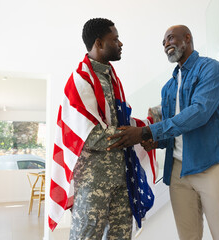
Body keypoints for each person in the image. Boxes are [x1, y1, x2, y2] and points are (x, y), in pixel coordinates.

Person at [108, 25, 219, 240]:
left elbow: (199, 113)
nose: (166, 44)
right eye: (164, 42)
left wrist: (146, 131)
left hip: (211, 166)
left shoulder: (212, 69)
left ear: (187, 38)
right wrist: (154, 140)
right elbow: (173, 127)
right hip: (178, 170)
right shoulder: (168, 87)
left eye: (170, 38)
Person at [48, 18, 155, 240]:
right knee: (86, 237)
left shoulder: (111, 78)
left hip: (121, 177)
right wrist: (137, 135)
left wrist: (145, 126)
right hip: (93, 181)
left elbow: (116, 123)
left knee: (121, 236)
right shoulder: (80, 81)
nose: (121, 44)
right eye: (114, 39)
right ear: (98, 43)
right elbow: (91, 135)